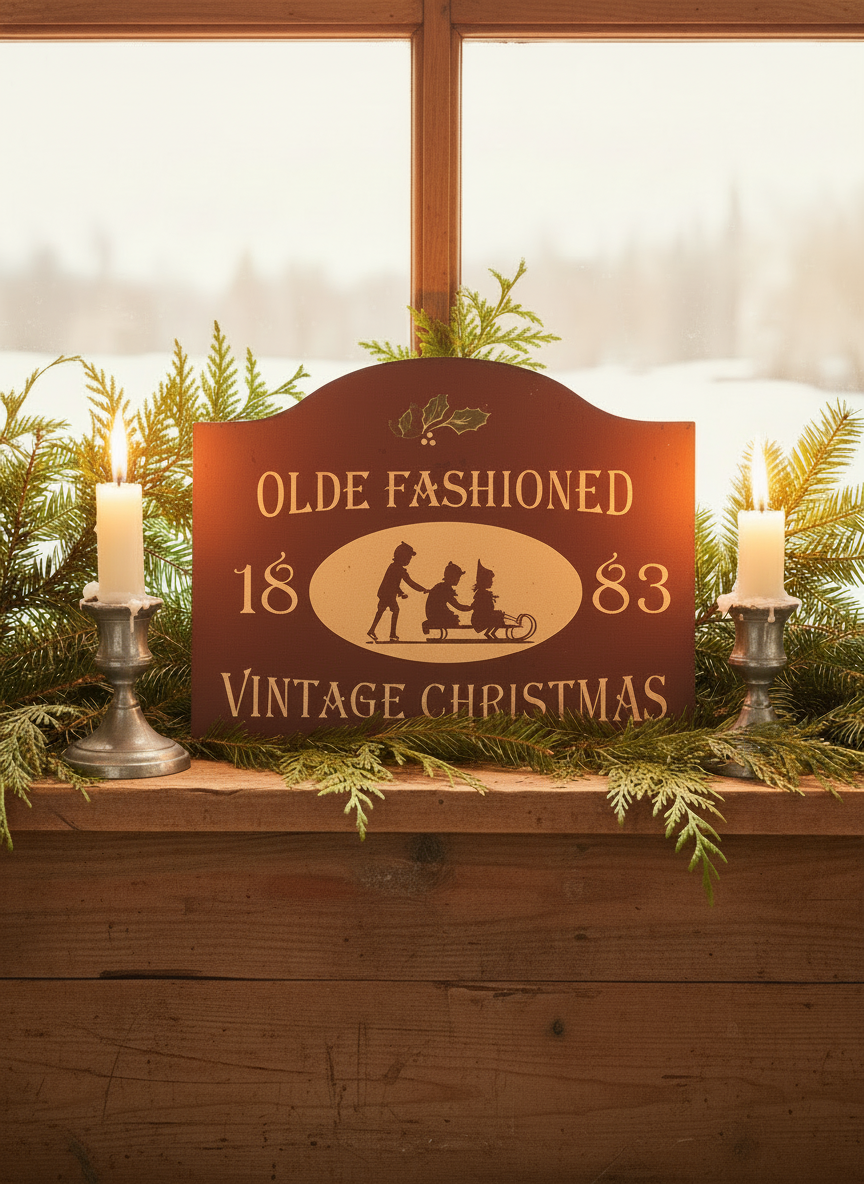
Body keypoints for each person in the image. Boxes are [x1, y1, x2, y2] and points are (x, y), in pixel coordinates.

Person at [368, 542, 427, 642]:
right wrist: (423, 589)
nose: (409, 560)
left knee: (382, 610)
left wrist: (400, 592)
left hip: (386, 593)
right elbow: (410, 582)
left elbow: (394, 583)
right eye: (408, 558)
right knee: (394, 610)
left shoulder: (394, 567)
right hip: (388, 594)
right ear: (402, 557)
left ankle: (372, 630)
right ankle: (391, 634)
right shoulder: (398, 569)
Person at [424, 561, 472, 631]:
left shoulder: (441, 586)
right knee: (453, 621)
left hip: (433, 613)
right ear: (451, 577)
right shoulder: (445, 589)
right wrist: (471, 607)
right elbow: (457, 606)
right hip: (437, 614)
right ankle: (430, 623)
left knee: (453, 620)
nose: (458, 580)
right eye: (457, 578)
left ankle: (430, 622)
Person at [471, 560, 507, 639]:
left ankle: (490, 633)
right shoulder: (482, 593)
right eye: (490, 580)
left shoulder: (483, 593)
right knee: (498, 617)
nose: (492, 582)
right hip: (480, 619)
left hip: (482, 617)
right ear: (484, 582)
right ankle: (489, 633)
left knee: (499, 616)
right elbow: (485, 608)